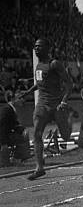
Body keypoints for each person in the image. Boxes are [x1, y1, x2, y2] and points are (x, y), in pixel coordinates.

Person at [19, 39, 72, 180]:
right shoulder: (38, 66)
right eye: (35, 46)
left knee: (66, 136)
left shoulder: (54, 64)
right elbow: (39, 83)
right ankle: (39, 168)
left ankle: (70, 117)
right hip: (42, 104)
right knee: (36, 134)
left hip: (56, 105)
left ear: (47, 48)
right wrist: (27, 92)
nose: (36, 49)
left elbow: (69, 83)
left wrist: (64, 101)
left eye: (39, 46)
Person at [0, 91, 31, 166]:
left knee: (24, 135)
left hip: (6, 135)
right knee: (23, 138)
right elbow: (2, 126)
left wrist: (23, 129)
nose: (23, 101)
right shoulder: (6, 110)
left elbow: (14, 125)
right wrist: (3, 143)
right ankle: (18, 158)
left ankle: (18, 157)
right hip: (3, 136)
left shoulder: (10, 109)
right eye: (21, 98)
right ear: (14, 99)